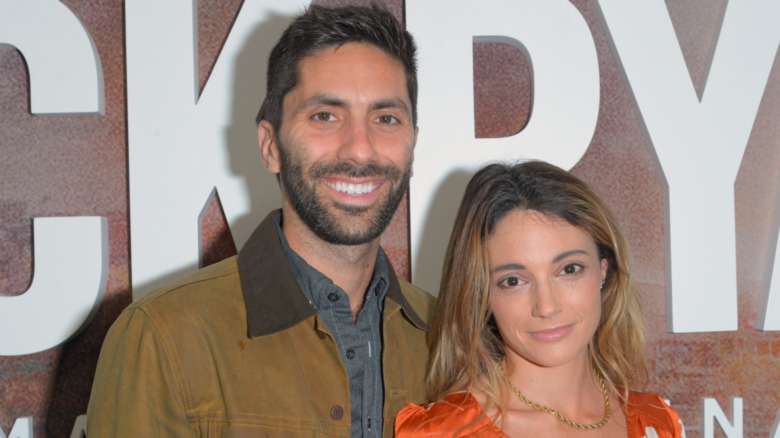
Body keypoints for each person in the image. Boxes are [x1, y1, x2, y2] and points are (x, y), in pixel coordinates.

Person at [87, 5, 433, 437]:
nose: (360, 150)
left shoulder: (450, 339)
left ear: (412, 147)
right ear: (270, 146)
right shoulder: (164, 338)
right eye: (325, 115)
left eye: (386, 119)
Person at [395, 161, 685, 437]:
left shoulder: (657, 423)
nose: (546, 306)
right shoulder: (440, 432)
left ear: (603, 270)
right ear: (482, 294)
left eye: (569, 270)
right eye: (513, 281)